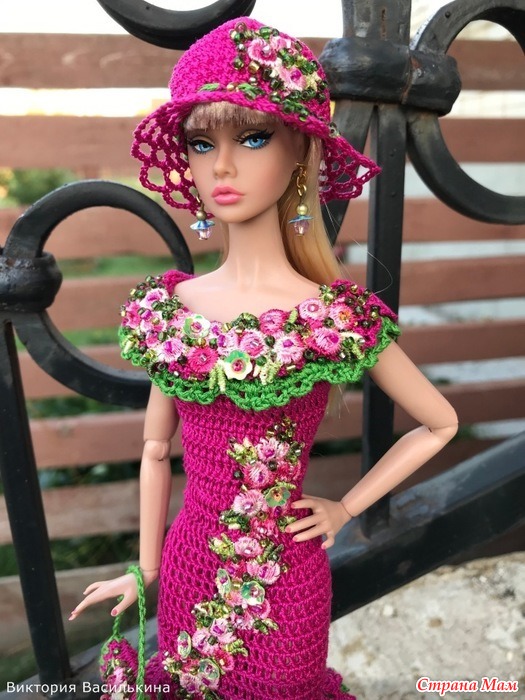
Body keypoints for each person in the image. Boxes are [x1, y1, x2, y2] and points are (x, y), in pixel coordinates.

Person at [70, 16, 458, 700]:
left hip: (286, 576)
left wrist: (345, 509)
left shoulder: (332, 316)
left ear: (299, 152)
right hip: (188, 566)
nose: (221, 167)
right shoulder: (173, 308)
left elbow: (440, 422)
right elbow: (156, 450)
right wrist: (144, 570)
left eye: (252, 138)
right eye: (201, 143)